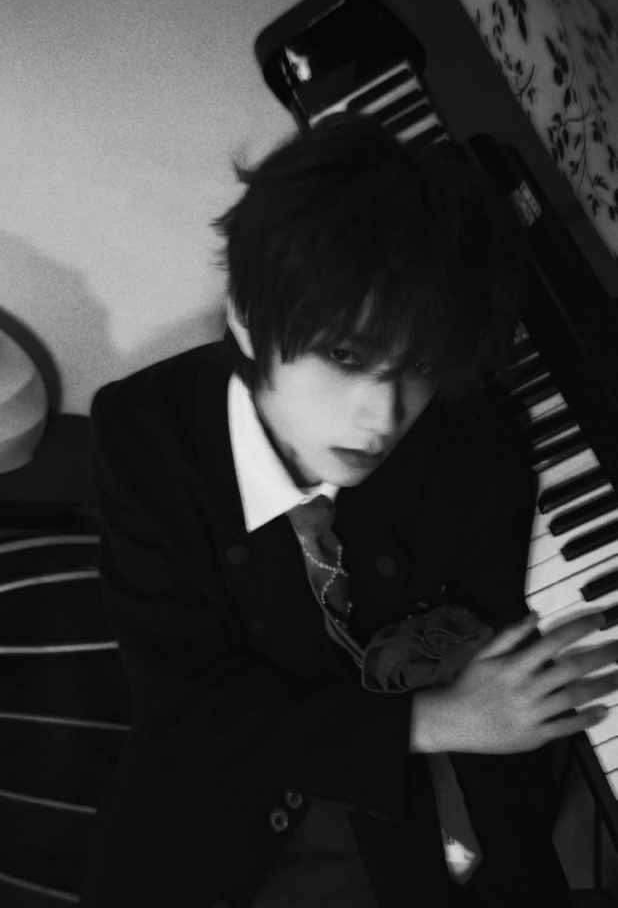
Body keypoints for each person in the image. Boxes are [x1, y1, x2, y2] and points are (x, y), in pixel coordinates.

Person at [81, 115, 618, 908]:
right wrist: (430, 722)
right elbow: (186, 700)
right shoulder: (143, 434)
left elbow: (485, 648)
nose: (381, 418)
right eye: (343, 356)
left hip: (404, 818)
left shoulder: (473, 445)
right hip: (214, 807)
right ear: (247, 317)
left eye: (417, 365)